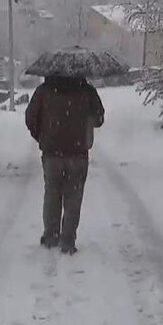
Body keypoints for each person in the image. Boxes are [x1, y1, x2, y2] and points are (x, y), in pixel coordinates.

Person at [25, 76, 105, 254]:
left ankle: (51, 236)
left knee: (52, 193)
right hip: (78, 153)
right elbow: (99, 118)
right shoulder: (87, 91)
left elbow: (30, 118)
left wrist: (43, 136)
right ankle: (68, 240)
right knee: (74, 198)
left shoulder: (44, 91)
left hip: (52, 153)